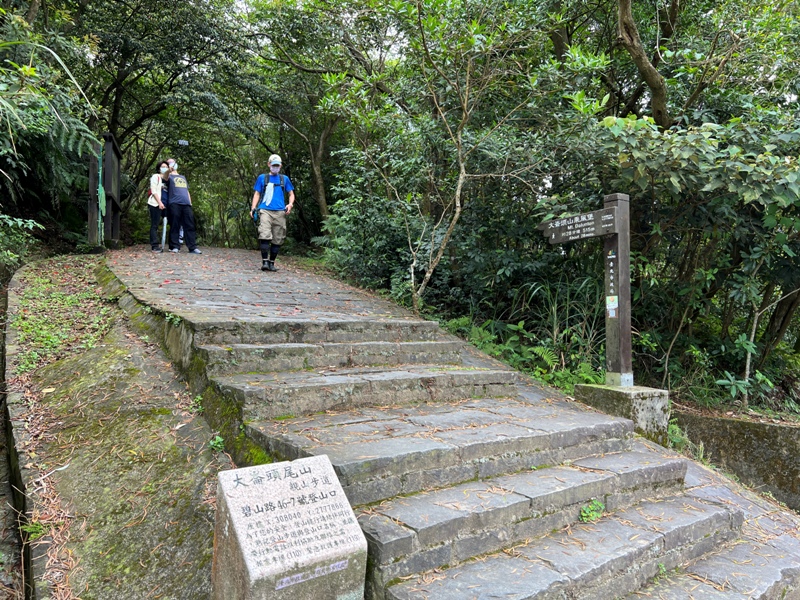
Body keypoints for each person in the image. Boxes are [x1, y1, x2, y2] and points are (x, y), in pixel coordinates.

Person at [251, 154, 294, 271]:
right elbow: (257, 193)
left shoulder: (284, 179)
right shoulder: (262, 178)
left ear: (280, 166)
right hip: (265, 210)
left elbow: (291, 194)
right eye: (273, 165)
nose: (275, 167)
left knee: (278, 237)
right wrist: (253, 208)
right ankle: (264, 262)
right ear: (269, 164)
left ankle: (272, 263)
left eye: (277, 165)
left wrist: (290, 204)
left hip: (280, 212)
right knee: (264, 234)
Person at [166, 158, 202, 254]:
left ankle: (192, 247)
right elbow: (164, 177)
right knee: (175, 224)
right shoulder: (168, 177)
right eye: (169, 162)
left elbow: (187, 190)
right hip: (174, 203)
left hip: (186, 204)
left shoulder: (183, 177)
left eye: (173, 162)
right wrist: (168, 171)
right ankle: (175, 246)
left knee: (189, 225)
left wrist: (190, 203)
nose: (172, 164)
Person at [147, 161, 169, 252]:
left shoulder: (168, 179)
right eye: (162, 166)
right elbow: (154, 190)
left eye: (166, 167)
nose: (164, 168)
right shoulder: (156, 177)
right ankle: (154, 246)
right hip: (156, 204)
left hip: (166, 204)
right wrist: (160, 203)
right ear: (159, 168)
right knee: (155, 225)